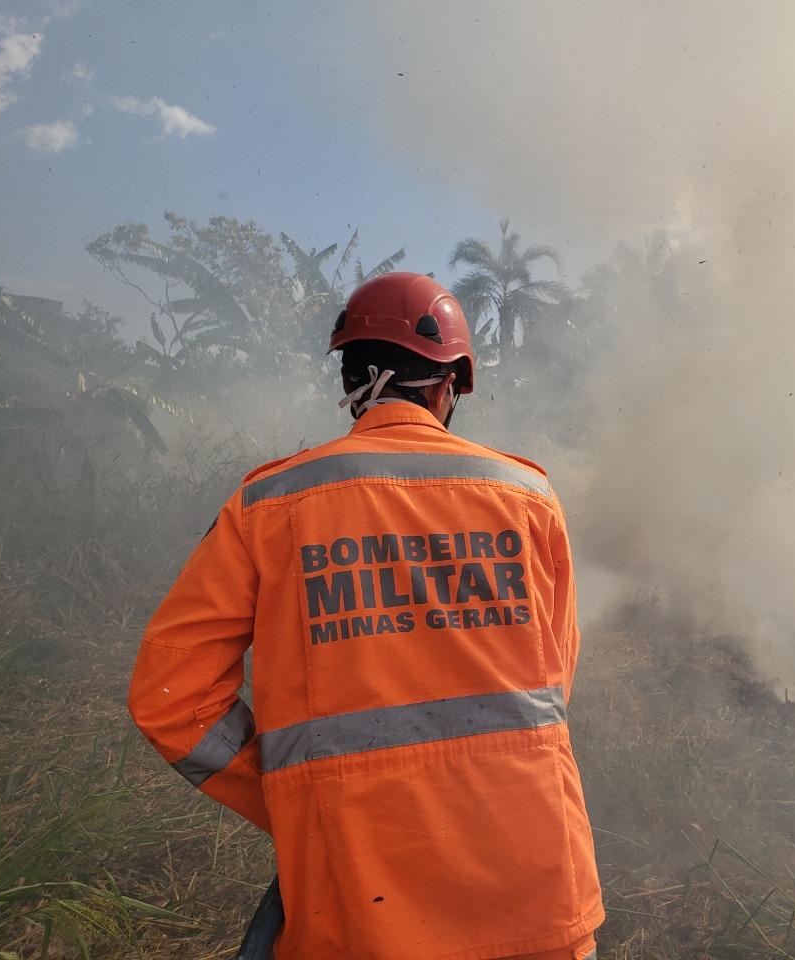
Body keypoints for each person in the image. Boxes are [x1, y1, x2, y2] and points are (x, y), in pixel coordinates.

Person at [128, 272, 604, 959]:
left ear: (351, 382)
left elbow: (169, 699)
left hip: (355, 906)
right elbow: (550, 687)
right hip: (537, 893)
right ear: (448, 386)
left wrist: (294, 799)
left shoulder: (269, 505)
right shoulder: (529, 497)